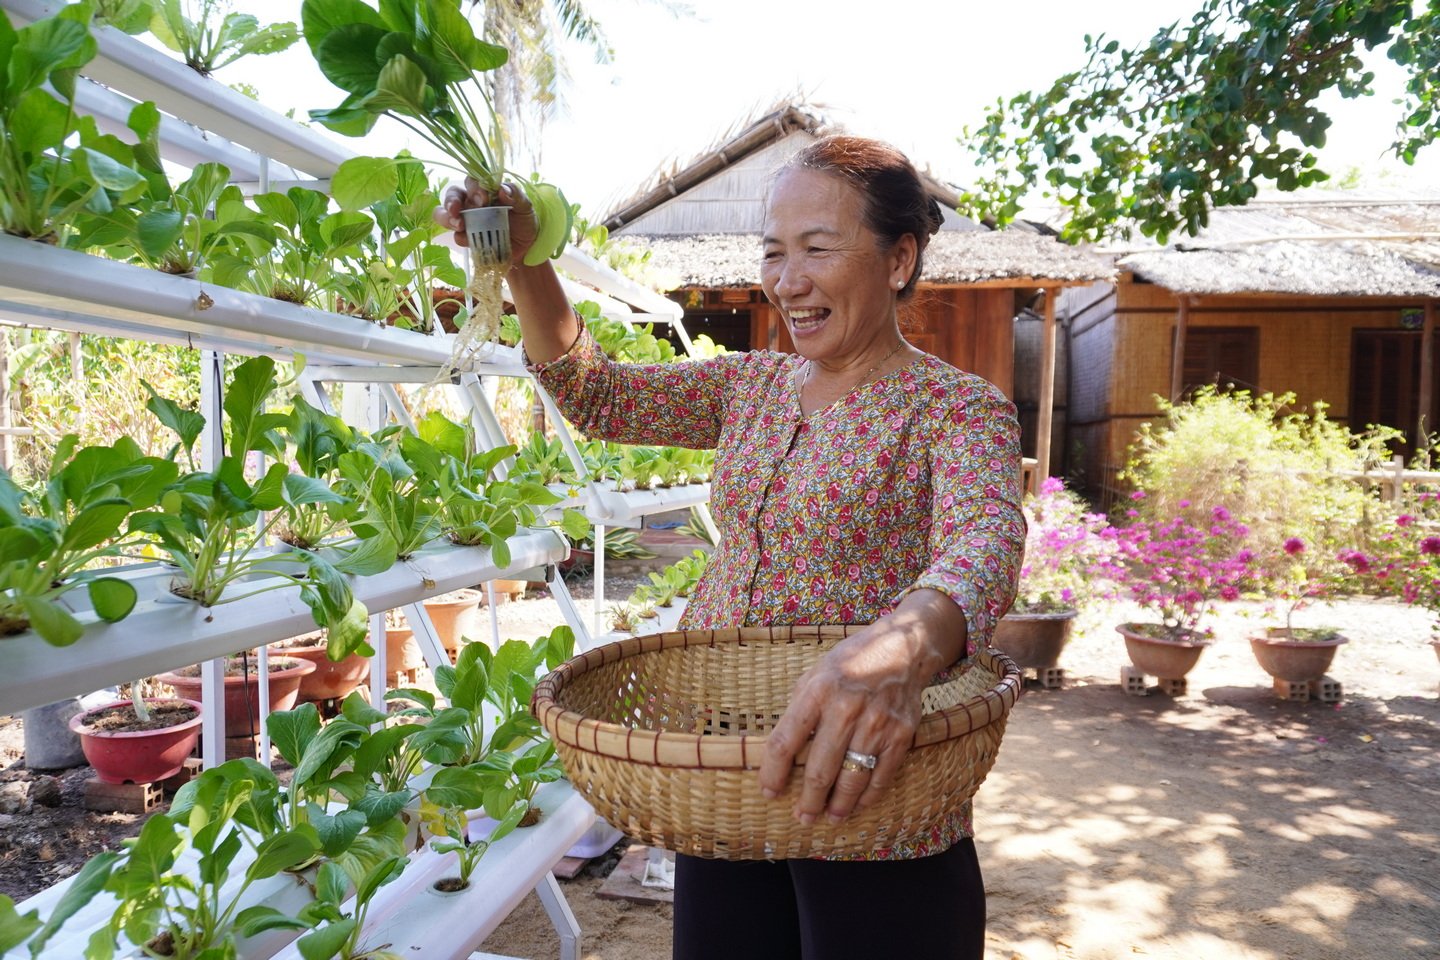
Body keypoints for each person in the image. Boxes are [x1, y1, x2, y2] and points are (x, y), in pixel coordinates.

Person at [438, 135, 1025, 960]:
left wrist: (906, 642)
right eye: (775, 253)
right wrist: (528, 255)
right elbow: (595, 394)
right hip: (728, 778)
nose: (787, 281)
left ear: (899, 259)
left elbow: (984, 534)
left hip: (869, 785)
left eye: (818, 249)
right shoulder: (750, 386)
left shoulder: (955, 409)